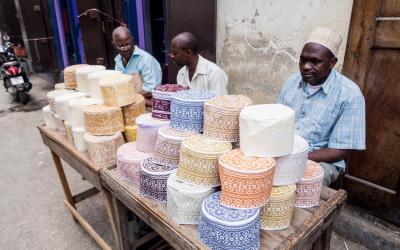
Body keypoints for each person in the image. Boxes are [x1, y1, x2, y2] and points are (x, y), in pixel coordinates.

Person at [277, 27, 366, 186]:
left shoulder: (350, 94)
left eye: (315, 61)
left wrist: (297, 158)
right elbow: (277, 121)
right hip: (285, 151)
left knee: (300, 184)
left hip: (322, 161)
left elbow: (340, 150)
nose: (305, 66)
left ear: (332, 63)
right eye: (303, 60)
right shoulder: (292, 82)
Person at [112, 26, 162, 106]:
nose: (125, 48)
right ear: (114, 45)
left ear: (132, 40)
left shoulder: (145, 59)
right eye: (121, 46)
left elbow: (151, 89)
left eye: (128, 44)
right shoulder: (118, 62)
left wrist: (129, 98)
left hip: (148, 104)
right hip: (129, 103)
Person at [169, 32, 228, 96]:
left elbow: (219, 103)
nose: (172, 56)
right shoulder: (181, 73)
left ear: (188, 52)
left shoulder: (214, 73)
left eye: (175, 53)